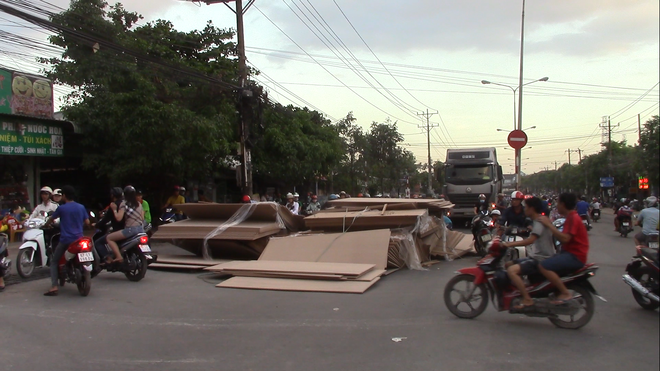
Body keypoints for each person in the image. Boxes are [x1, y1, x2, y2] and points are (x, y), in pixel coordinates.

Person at [501, 197, 556, 309]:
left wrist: (508, 244)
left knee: (512, 271)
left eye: (526, 207)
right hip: (535, 256)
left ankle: (527, 299)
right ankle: (521, 289)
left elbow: (530, 240)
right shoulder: (536, 220)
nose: (524, 209)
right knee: (508, 264)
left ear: (532, 208)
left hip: (541, 258)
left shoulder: (539, 222)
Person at [536, 193, 589, 304]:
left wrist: (549, 225)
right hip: (568, 253)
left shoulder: (573, 218)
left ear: (563, 204)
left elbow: (565, 239)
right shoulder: (569, 217)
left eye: (558, 203)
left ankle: (565, 292)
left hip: (574, 256)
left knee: (543, 266)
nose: (557, 206)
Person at [43, 186, 89, 296]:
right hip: (79, 239)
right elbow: (87, 222)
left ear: (64, 196)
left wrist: (45, 225)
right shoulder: (81, 207)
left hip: (66, 240)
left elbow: (51, 219)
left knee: (54, 261)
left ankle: (54, 286)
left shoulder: (62, 208)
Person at [105, 186, 144, 264]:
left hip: (130, 230)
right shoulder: (139, 204)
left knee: (109, 238)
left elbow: (119, 218)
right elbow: (142, 218)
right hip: (141, 230)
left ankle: (119, 256)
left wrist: (114, 210)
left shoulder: (124, 203)